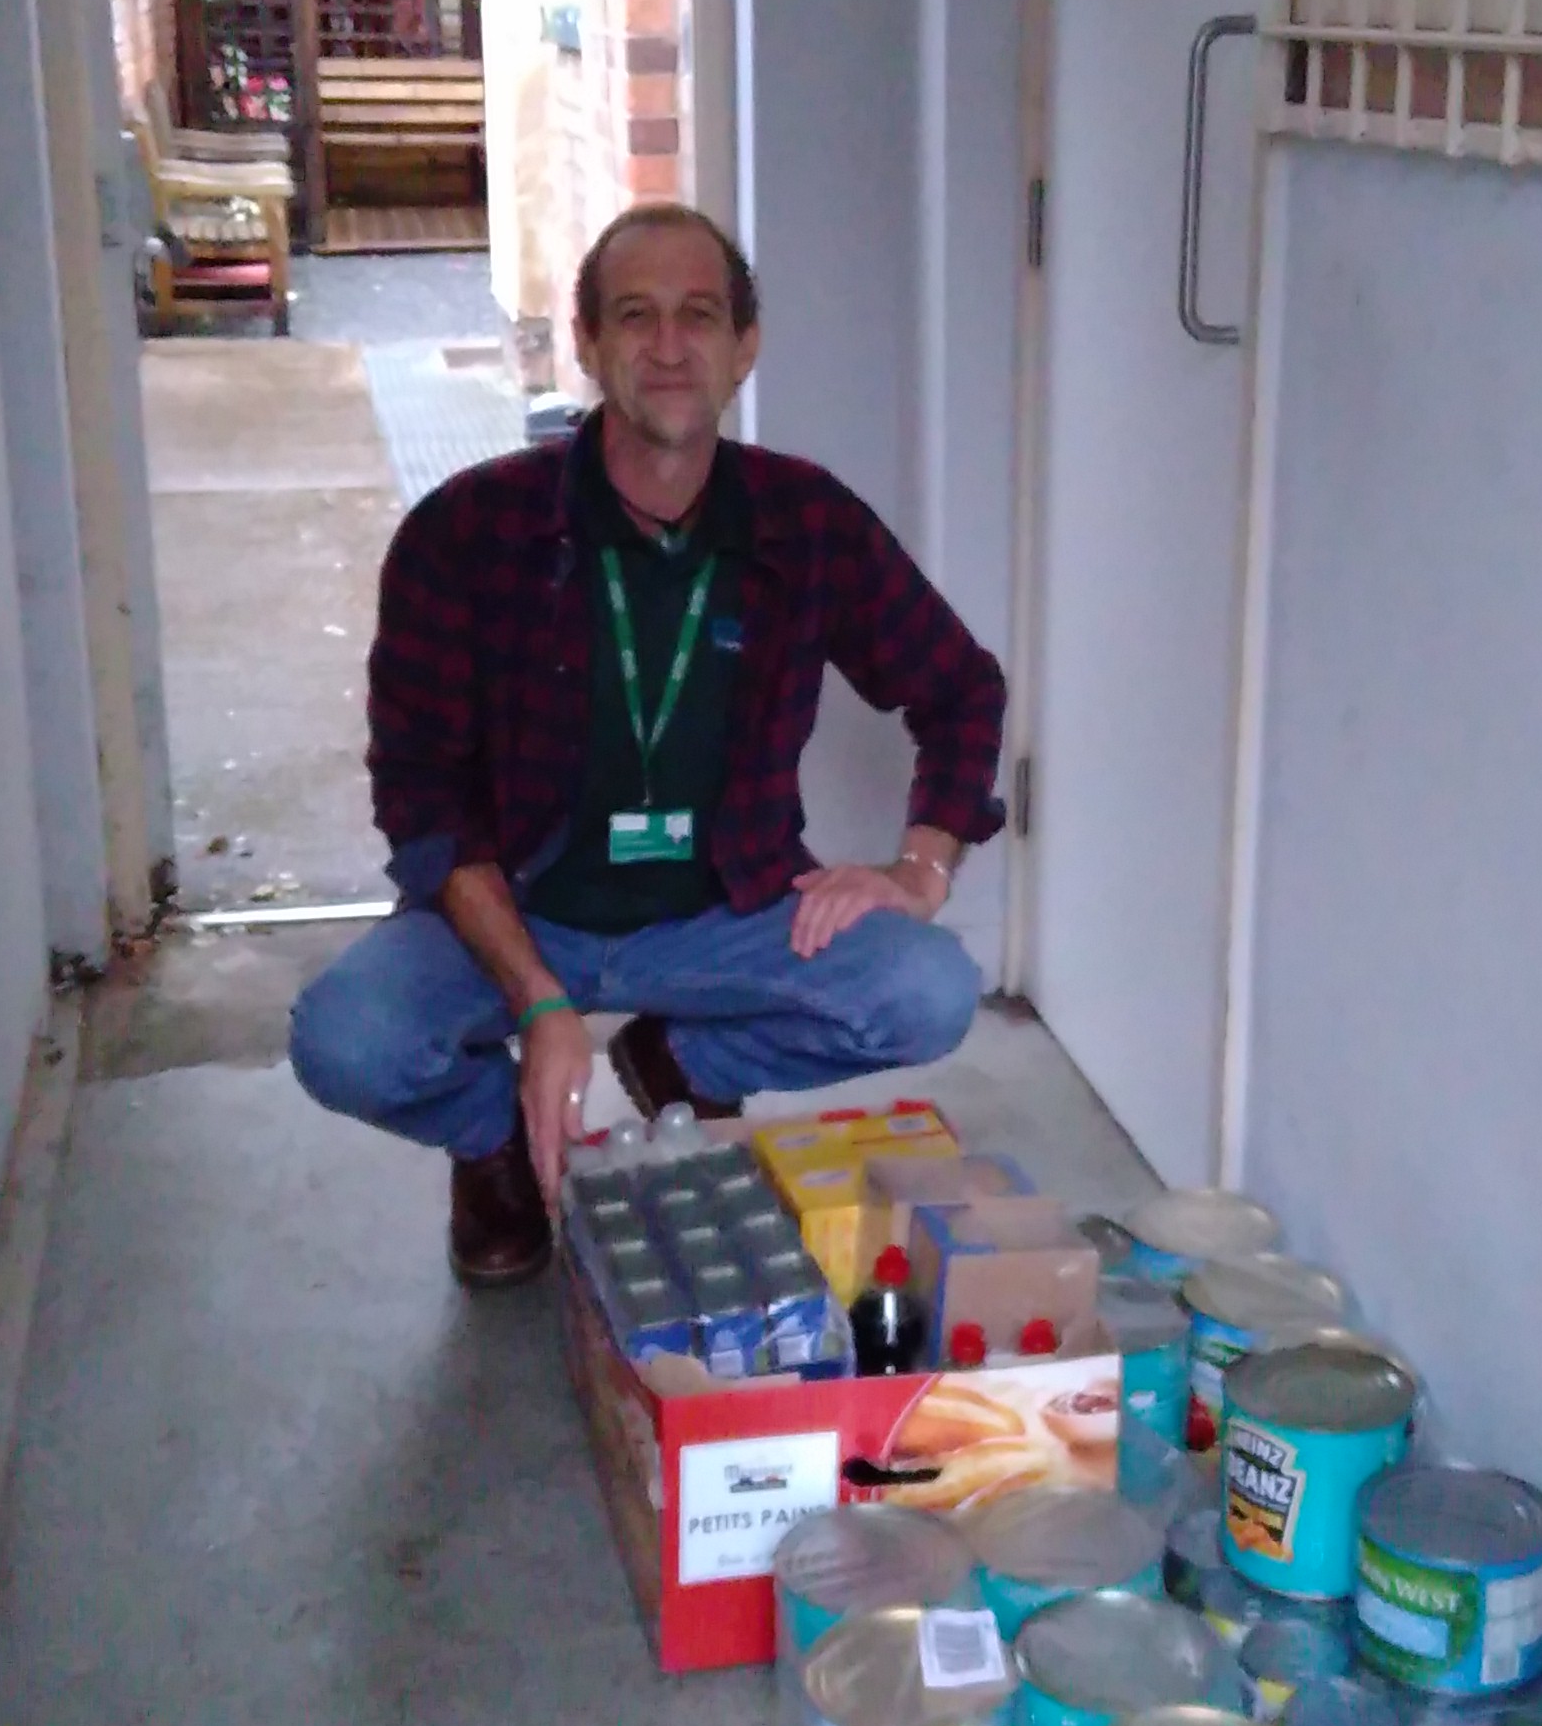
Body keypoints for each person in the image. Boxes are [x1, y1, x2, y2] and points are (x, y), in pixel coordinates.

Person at [290, 201, 1006, 1286]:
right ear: (585, 343)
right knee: (344, 1038)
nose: (669, 347)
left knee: (928, 991)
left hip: (726, 910)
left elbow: (959, 687)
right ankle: (490, 1138)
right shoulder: (466, 535)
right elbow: (424, 803)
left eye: (699, 316)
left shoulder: (804, 523)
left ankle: (680, 1057)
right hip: (522, 911)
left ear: (743, 349)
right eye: (635, 316)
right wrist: (536, 1005)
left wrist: (921, 867)